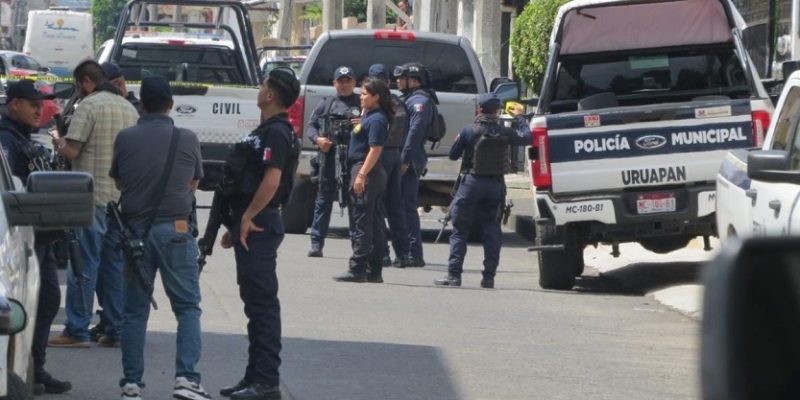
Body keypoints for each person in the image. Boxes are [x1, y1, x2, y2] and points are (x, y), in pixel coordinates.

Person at [110, 76, 209, 400]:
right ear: (171, 105)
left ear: (141, 105)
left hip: (135, 234)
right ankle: (186, 379)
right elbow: (194, 182)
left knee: (134, 311)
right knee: (187, 307)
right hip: (177, 231)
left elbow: (120, 183)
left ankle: (131, 384)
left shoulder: (125, 138)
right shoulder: (187, 138)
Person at [217, 67, 301, 400]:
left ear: (269, 94)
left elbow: (272, 180)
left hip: (261, 224)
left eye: (262, 85)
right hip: (251, 223)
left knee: (263, 305)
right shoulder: (267, 129)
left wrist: (249, 216)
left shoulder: (277, 132)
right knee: (253, 304)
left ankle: (266, 382)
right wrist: (237, 221)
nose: (259, 89)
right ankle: (253, 377)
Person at [49, 60, 139, 348]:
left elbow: (72, 150)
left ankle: (76, 329)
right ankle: (114, 328)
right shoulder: (129, 108)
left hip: (89, 198)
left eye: (79, 85)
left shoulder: (88, 106)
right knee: (113, 266)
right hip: (118, 199)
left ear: (87, 81)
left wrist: (58, 141)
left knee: (83, 264)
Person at [0, 80, 72, 395]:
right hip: (17, 235)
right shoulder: (6, 139)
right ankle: (24, 371)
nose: (38, 110)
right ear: (14, 104)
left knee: (47, 301)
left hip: (36, 236)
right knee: (27, 307)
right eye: (33, 104)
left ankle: (34, 368)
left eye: (41, 105)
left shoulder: (21, 137)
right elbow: (13, 192)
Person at [434, 93, 531, 288]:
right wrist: (520, 117)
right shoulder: (506, 132)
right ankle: (488, 278)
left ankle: (454, 276)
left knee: (460, 231)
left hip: (471, 184)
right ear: (497, 111)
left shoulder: (469, 130)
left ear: (479, 109)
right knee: (492, 231)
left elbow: (453, 155)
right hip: (495, 186)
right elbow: (528, 137)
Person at [333, 77, 392, 283]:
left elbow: (375, 149)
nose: (361, 97)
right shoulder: (370, 117)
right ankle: (374, 270)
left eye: (365, 94)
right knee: (373, 222)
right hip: (368, 171)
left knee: (362, 222)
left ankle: (357, 268)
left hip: (367, 171)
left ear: (376, 97)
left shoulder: (377, 119)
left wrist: (361, 175)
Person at [306, 65, 360, 257]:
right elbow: (311, 127)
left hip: (353, 159)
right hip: (329, 158)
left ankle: (358, 246)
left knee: (355, 202)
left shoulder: (362, 103)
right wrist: (318, 140)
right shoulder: (327, 104)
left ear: (354, 83)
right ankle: (316, 244)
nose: (344, 85)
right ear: (334, 83)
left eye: (348, 81)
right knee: (323, 201)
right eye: (340, 81)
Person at [366, 64, 410, 267]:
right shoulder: (397, 103)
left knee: (377, 206)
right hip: (394, 154)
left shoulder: (378, 105)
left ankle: (383, 252)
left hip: (381, 155)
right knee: (394, 206)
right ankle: (402, 253)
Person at [393, 62, 436, 267]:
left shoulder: (420, 101)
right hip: (403, 157)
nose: (398, 81)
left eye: (403, 78)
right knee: (398, 206)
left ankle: (413, 253)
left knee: (406, 207)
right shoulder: (408, 99)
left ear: (415, 81)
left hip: (409, 160)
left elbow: (415, 132)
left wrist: (405, 159)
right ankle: (403, 251)